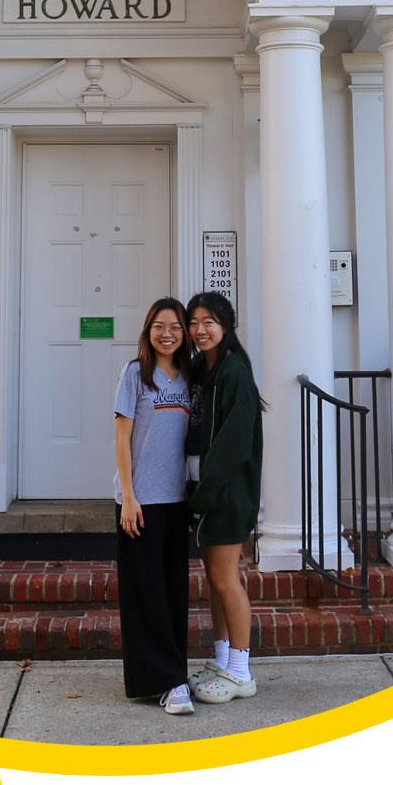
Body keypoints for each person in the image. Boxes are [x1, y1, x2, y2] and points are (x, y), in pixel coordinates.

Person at [113, 296, 196, 716]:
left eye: (176, 327)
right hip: (141, 502)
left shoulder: (189, 379)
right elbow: (122, 439)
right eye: (160, 326)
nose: (168, 334)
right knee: (145, 595)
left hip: (176, 500)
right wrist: (128, 497)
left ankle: (174, 673)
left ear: (184, 335)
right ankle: (166, 682)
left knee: (172, 593)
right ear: (148, 330)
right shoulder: (135, 374)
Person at [184, 292, 264, 704]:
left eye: (209, 321)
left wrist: (207, 493)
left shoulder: (233, 373)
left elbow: (234, 445)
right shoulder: (204, 371)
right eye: (194, 322)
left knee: (225, 579)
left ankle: (240, 671)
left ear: (226, 325)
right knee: (213, 582)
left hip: (226, 496)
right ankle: (221, 659)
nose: (200, 330)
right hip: (207, 494)